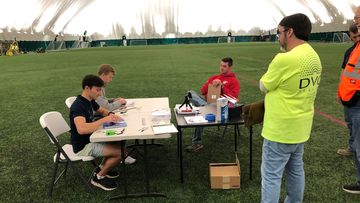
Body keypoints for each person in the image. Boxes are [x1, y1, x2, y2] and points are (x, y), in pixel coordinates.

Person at [259, 13, 322, 202]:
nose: (278, 36)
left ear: (290, 32)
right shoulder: (314, 56)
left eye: (279, 32)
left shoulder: (284, 59)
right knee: (296, 171)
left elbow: (263, 85)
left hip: (280, 130)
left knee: (271, 176)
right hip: (300, 128)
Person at [70, 74, 124, 191]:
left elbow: (103, 110)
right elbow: (82, 129)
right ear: (87, 88)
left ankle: (102, 168)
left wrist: (111, 115)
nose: (100, 93)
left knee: (118, 141)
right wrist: (104, 120)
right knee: (121, 152)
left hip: (92, 138)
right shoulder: (78, 106)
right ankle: (98, 177)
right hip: (82, 146)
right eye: (97, 90)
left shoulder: (90, 101)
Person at [186, 57, 240, 152]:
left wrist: (222, 86)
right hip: (207, 103)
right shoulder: (214, 77)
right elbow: (202, 91)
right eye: (221, 65)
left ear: (230, 67)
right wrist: (210, 83)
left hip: (220, 108)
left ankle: (197, 143)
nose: (222, 68)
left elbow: (233, 99)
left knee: (201, 112)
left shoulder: (233, 81)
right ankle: (205, 108)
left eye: (224, 66)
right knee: (190, 93)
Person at [95, 64, 136, 164]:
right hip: (96, 119)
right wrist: (119, 102)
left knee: (122, 120)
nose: (111, 80)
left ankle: (120, 151)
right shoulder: (96, 87)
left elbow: (103, 101)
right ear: (103, 75)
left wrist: (114, 100)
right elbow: (106, 107)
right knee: (122, 124)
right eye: (110, 77)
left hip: (101, 116)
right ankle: (120, 153)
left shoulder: (100, 86)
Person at [340, 6, 360, 194]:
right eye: (355, 17)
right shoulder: (354, 50)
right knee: (356, 142)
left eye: (358, 17)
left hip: (357, 102)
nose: (356, 20)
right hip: (350, 101)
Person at [337, 24, 360, 157]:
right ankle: (352, 149)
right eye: (354, 37)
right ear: (350, 38)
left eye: (359, 36)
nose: (357, 39)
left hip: (357, 98)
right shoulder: (349, 52)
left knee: (357, 126)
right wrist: (340, 92)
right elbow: (344, 73)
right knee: (351, 124)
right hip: (348, 96)